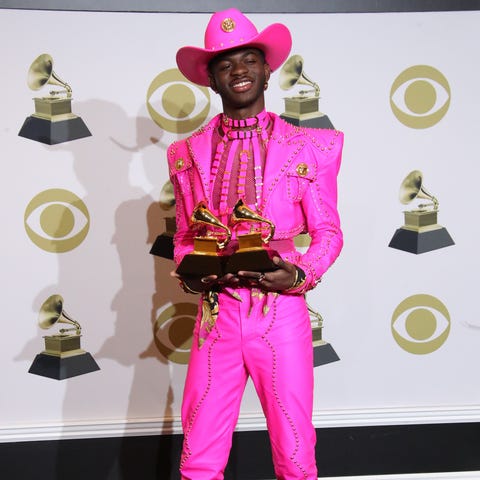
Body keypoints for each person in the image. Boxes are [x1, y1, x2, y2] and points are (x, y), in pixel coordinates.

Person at [168, 8, 344, 480]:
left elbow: (328, 231)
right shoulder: (185, 153)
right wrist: (191, 268)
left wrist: (301, 274)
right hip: (215, 314)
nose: (239, 71)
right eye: (226, 64)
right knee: (199, 453)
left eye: (249, 59)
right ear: (211, 79)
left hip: (280, 312)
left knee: (294, 452)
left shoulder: (310, 146)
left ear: (268, 69)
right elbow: (185, 236)